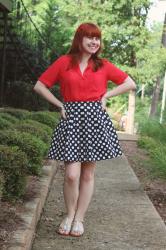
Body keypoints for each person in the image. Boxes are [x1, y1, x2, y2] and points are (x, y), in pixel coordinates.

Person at [33, 22, 136, 237]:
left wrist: (106, 96)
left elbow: (129, 83)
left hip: (94, 120)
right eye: (89, 37)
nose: (94, 42)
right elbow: (40, 86)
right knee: (71, 174)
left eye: (97, 38)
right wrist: (60, 104)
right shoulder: (64, 62)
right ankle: (69, 215)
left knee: (87, 174)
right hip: (71, 119)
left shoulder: (103, 65)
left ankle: (79, 218)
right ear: (79, 39)